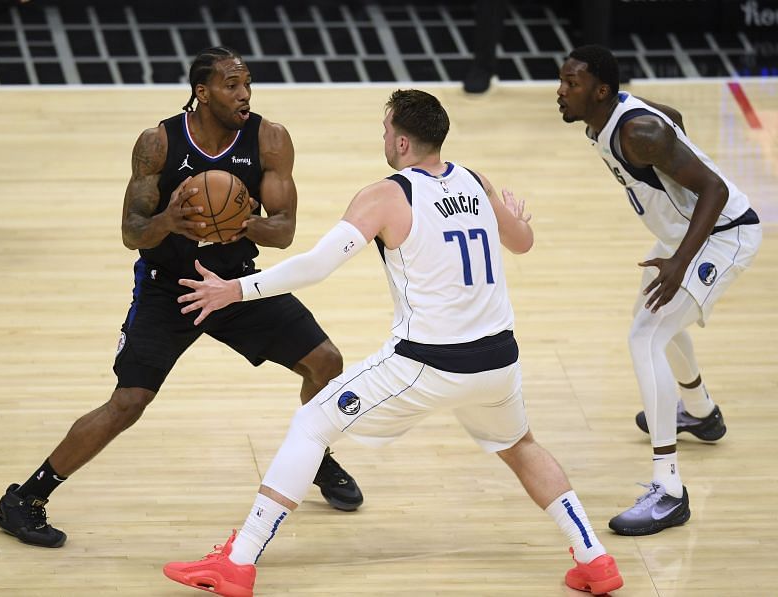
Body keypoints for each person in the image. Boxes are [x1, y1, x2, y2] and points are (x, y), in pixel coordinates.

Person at [162, 89, 623, 596]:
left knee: (311, 424)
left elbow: (317, 266)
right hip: (498, 360)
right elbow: (523, 242)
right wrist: (512, 215)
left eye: (385, 129)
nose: (382, 136)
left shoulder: (386, 195)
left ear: (402, 141)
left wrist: (236, 289)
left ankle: (239, 560)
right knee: (520, 446)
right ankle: (595, 560)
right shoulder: (475, 179)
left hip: (428, 363)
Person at [0, 46, 363, 549]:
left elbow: (285, 231)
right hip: (171, 289)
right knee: (128, 402)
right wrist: (169, 220)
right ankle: (24, 499)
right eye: (231, 85)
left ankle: (314, 457)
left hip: (235, 285)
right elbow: (131, 231)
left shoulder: (270, 139)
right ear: (202, 92)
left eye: (247, 82)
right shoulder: (158, 143)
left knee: (326, 362)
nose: (244, 94)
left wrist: (240, 223)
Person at [557, 45, 762, 536]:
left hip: (723, 236)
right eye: (562, 81)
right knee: (654, 321)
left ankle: (668, 491)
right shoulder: (614, 118)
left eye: (571, 83)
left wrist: (680, 262)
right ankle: (701, 413)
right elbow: (672, 117)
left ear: (600, 91)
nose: (561, 92)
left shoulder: (637, 132)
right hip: (684, 236)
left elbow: (712, 188)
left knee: (644, 337)